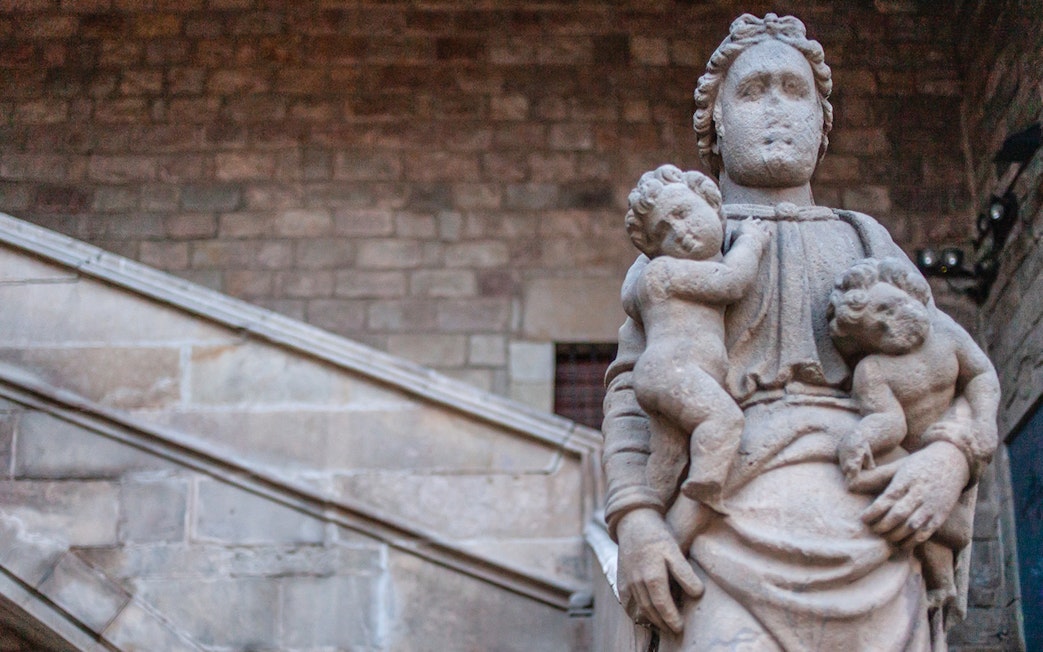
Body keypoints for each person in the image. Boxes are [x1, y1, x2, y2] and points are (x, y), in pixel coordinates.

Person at [601, 13, 1000, 651]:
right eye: (755, 92)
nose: (777, 109)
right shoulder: (677, 256)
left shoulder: (866, 239)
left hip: (872, 527)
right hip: (720, 532)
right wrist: (638, 519)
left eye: (795, 92)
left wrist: (949, 460)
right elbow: (631, 398)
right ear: (717, 121)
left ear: (822, 123)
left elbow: (952, 371)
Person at [623, 164, 769, 516]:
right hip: (671, 372)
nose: (681, 232)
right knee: (724, 421)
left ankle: (653, 516)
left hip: (669, 375)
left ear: (711, 203)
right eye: (664, 231)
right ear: (655, 250)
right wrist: (751, 240)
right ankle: (706, 484)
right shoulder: (664, 271)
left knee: (669, 456)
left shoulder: (659, 274)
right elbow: (732, 281)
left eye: (683, 213)